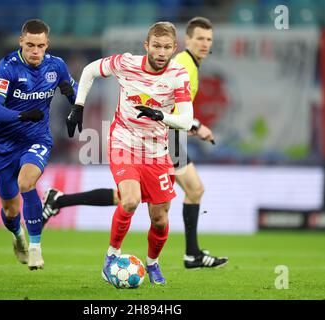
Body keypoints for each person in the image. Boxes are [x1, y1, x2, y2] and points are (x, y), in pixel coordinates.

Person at [42, 17, 229, 270]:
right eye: (200, 39)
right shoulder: (182, 64)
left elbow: (175, 111)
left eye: (209, 40)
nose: (205, 44)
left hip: (161, 135)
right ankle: (191, 253)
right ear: (185, 42)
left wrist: (191, 125)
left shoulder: (187, 68)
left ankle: (60, 200)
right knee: (175, 193)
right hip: (160, 138)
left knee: (132, 197)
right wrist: (192, 125)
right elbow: (165, 106)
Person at [65, 22, 194, 285]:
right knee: (130, 200)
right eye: (156, 46)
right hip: (124, 142)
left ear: (174, 48)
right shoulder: (126, 63)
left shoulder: (178, 75)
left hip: (157, 153)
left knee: (159, 219)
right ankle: (111, 257)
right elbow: (90, 70)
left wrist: (161, 115)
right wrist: (79, 105)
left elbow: (187, 120)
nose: (161, 52)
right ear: (146, 46)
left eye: (166, 47)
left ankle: (153, 264)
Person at [0, 19, 77, 270]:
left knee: (27, 182)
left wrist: (73, 95)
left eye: (40, 46)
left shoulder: (56, 66)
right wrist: (22, 115)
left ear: (47, 44)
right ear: (21, 42)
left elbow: (75, 95)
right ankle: (18, 237)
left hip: (37, 139)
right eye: (30, 45)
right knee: (11, 210)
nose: (35, 51)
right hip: (4, 145)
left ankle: (36, 248)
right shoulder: (8, 67)